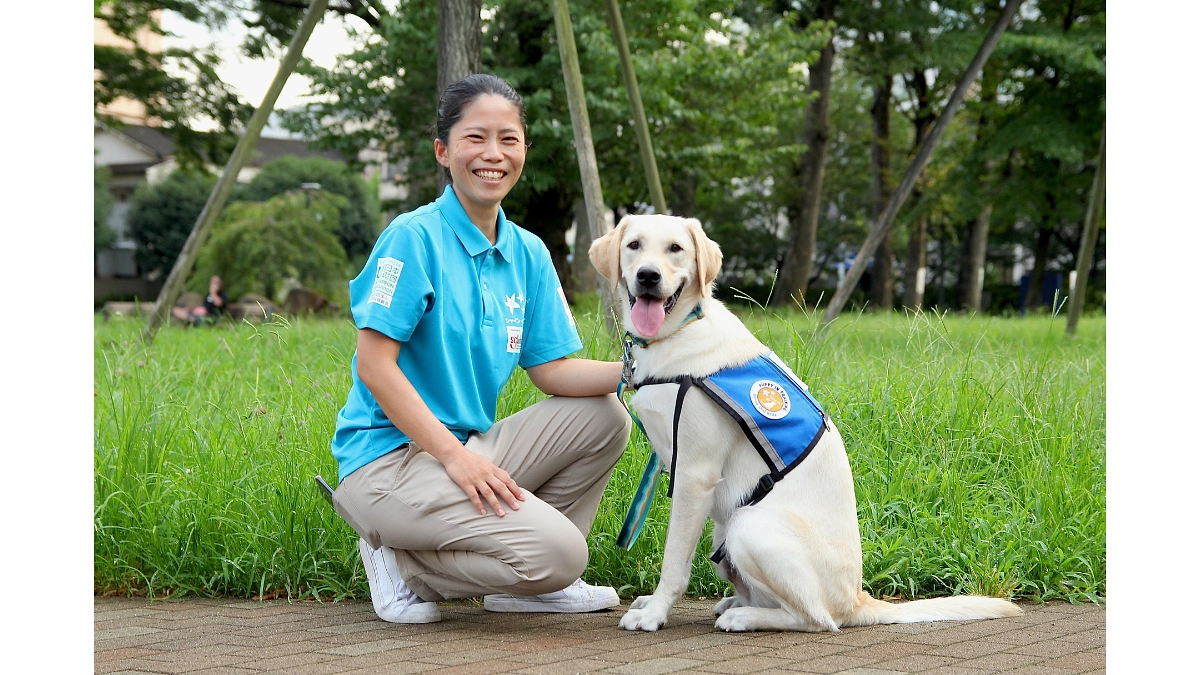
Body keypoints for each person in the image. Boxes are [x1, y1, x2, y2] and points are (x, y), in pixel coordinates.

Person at [329, 74, 631, 624]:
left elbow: (552, 369)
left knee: (605, 416)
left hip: (469, 449)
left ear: (523, 151)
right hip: (389, 465)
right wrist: (454, 456)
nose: (493, 154)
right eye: (475, 138)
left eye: (508, 139)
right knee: (562, 555)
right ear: (443, 152)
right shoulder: (411, 237)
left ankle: (527, 583)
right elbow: (374, 367)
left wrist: (646, 368)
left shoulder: (529, 252)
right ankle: (401, 563)